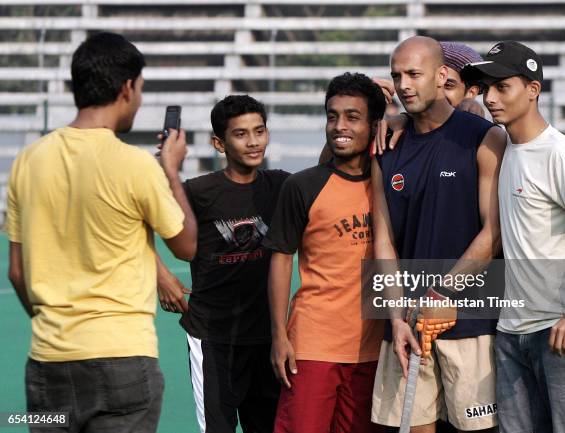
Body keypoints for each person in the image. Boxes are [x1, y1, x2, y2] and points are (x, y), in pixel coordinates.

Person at [6, 32, 197, 432]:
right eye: (140, 89)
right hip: (123, 363)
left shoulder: (28, 161)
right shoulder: (135, 165)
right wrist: (172, 171)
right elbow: (187, 246)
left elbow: (17, 273)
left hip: (46, 364)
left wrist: (55, 325)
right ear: (127, 88)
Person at [462, 40, 565, 433]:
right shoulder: (504, 146)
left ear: (533, 90)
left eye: (502, 86)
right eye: (486, 88)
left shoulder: (560, 153)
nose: (491, 98)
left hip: (564, 334)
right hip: (512, 333)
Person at [370, 36, 507, 433]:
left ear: (441, 75)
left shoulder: (484, 137)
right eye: (397, 75)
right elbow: (384, 241)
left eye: (414, 73)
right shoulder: (386, 148)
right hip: (407, 327)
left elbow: (492, 232)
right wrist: (395, 317)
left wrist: (442, 294)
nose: (404, 84)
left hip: (472, 323)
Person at [156, 95, 289, 433]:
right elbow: (132, 220)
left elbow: (326, 172)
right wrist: (160, 276)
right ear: (219, 143)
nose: (253, 141)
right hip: (213, 338)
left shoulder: (280, 185)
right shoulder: (198, 191)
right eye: (240, 134)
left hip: (267, 337)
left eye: (259, 131)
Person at [264, 72, 386, 433]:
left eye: (352, 116)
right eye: (332, 116)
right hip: (313, 346)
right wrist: (279, 335)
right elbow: (281, 258)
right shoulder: (302, 186)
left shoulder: (393, 184)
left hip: (374, 348)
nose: (338, 126)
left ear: (374, 124)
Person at [374, 41, 485, 153]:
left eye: (448, 85)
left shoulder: (486, 137)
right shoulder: (396, 134)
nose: (438, 90)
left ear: (471, 93)